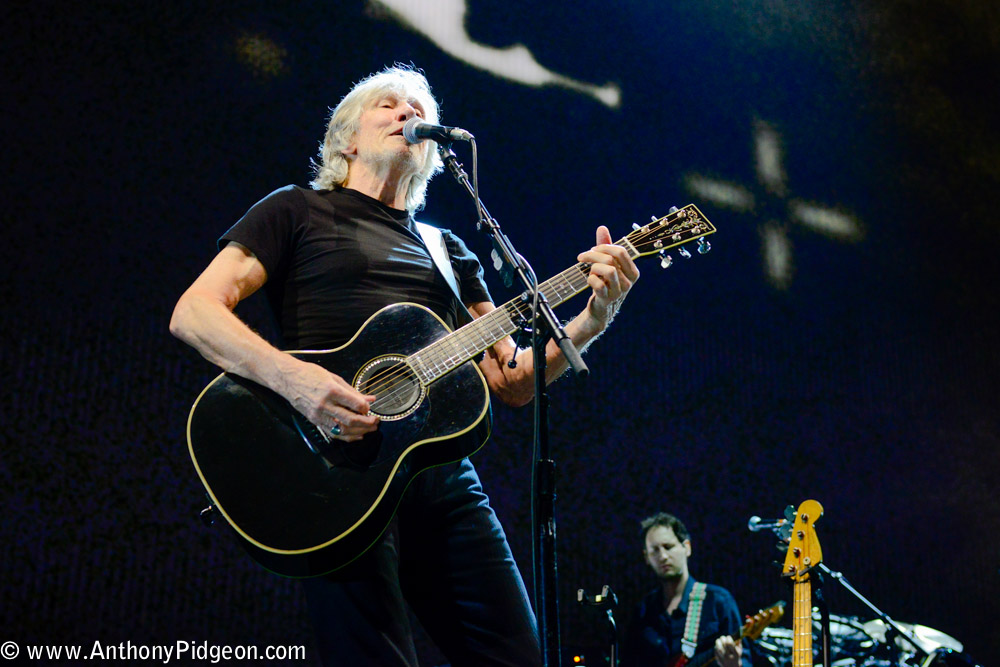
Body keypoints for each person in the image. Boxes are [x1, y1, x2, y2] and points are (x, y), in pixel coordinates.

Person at [169, 64, 638, 666]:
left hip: (441, 477)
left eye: (420, 109)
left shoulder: (448, 250)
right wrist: (297, 381)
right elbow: (195, 312)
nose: (409, 114)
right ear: (347, 140)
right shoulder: (296, 210)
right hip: (334, 470)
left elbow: (512, 380)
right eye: (389, 105)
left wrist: (593, 319)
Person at [622, 513, 752, 667]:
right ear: (646, 558)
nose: (663, 556)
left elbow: (745, 661)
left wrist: (734, 665)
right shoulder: (643, 611)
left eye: (668, 547)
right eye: (654, 550)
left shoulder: (717, 601)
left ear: (687, 547)